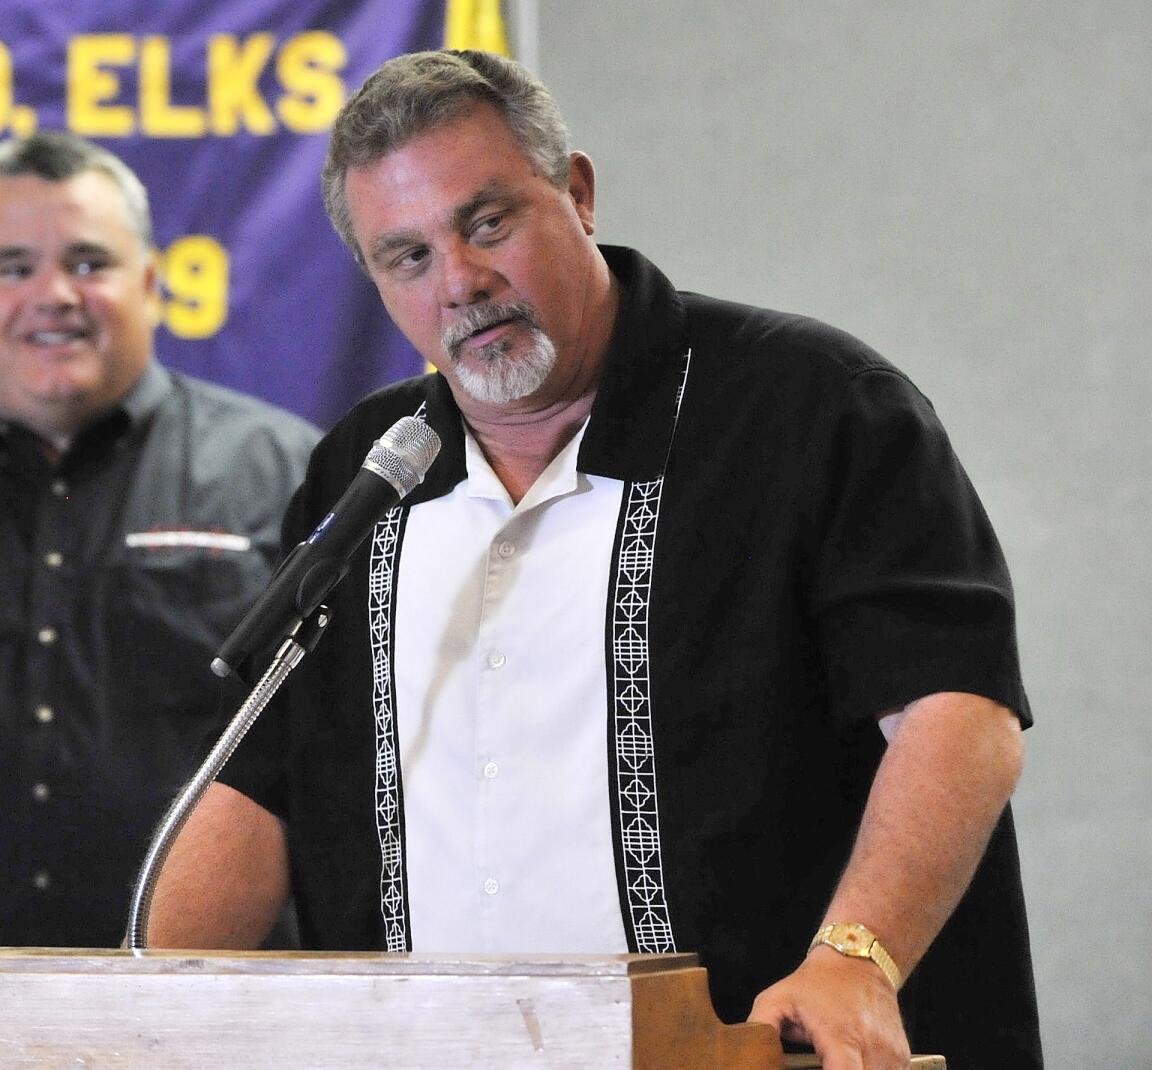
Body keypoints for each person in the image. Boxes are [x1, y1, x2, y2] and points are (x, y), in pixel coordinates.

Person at [146, 51, 1042, 1069]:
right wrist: (138, 1015)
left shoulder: (810, 407)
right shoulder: (368, 469)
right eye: (408, 258)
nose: (462, 282)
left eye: (487, 224)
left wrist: (857, 956)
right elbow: (263, 784)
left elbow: (956, 709)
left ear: (575, 192)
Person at [0, 132, 321, 949]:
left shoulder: (287, 474)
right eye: (14, 267)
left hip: (215, 1013)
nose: (54, 293)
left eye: (89, 262)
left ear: (151, 283)